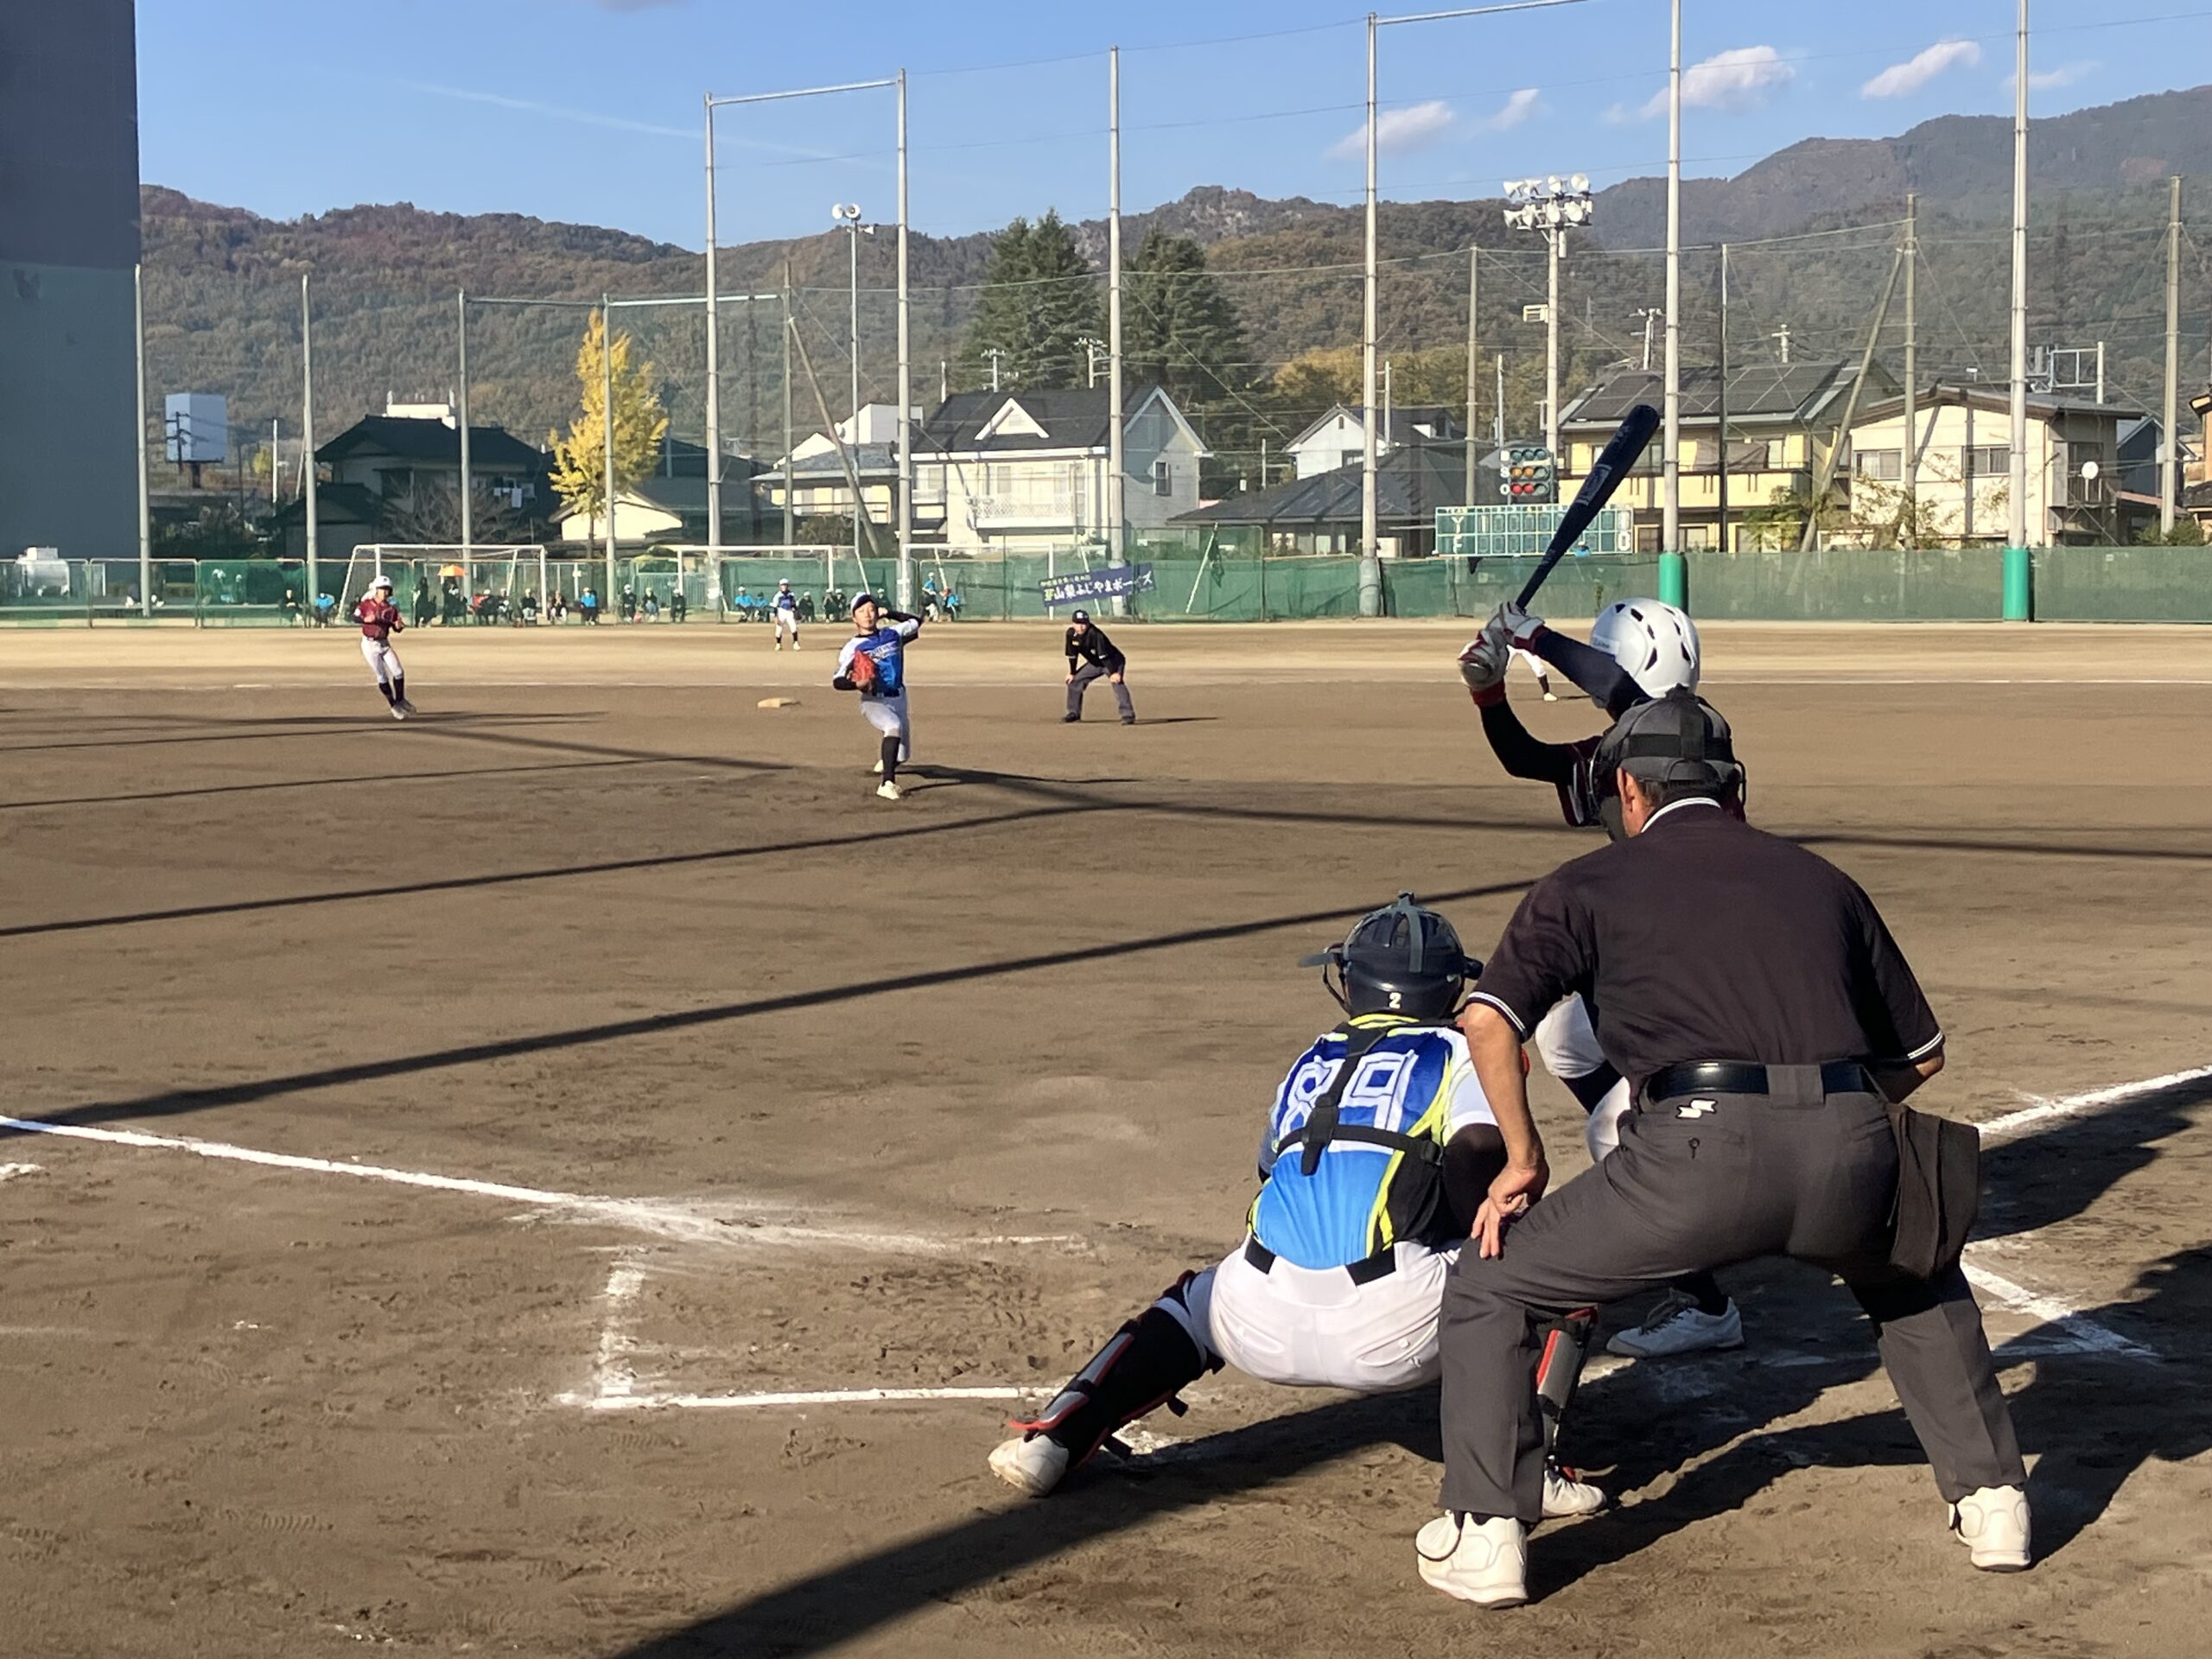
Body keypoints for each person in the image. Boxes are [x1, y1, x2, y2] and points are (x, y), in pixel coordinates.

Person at [1416, 689, 2028, 1610]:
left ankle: (1488, 1532)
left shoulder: (1585, 883)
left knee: (1493, 1281)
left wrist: (1522, 1158)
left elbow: (1488, 1022)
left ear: (1627, 789)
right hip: (1849, 1137)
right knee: (1914, 1269)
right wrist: (1830, 1127)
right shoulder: (1820, 878)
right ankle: (1997, 1505)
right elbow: (1921, 1055)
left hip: (1690, 1155)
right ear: (1733, 785)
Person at [991, 896, 1603, 1522]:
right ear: (1450, 986)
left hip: (1256, 1313)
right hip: (1400, 1331)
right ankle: (1531, 1471)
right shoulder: (1457, 1049)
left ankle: (1055, 1438)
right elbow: (1477, 1146)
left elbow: (1270, 1169)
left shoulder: (1314, 1056)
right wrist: (1470, 1247)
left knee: (1192, 1304)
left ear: (1351, 982)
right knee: (1552, 1268)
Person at [1456, 598, 1744, 1361]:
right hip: (1667, 957)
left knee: (1609, 1128)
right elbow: (1530, 758)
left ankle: (1705, 1303)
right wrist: (1490, 695)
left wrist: (1534, 636)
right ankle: (1684, 1161)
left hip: (1691, 977)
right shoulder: (1633, 744)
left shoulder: (1687, 737)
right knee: (1564, 1035)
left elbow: (1618, 686)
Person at [832, 592, 921, 800]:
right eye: (861, 611)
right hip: (874, 700)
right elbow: (837, 681)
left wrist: (889, 612)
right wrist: (856, 684)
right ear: (854, 618)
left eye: (871, 609)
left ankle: (888, 760)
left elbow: (916, 622)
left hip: (899, 697)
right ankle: (887, 783)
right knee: (893, 727)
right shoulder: (852, 648)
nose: (868, 615)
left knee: (903, 755)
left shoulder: (892, 634)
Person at [355, 574, 416, 721]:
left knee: (398, 672)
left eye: (387, 589)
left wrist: (399, 626)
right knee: (382, 675)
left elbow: (396, 628)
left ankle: (401, 700)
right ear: (376, 589)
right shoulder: (366, 604)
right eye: (382, 589)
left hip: (384, 643)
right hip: (369, 644)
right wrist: (365, 619)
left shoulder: (391, 609)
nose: (385, 592)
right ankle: (394, 705)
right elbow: (355, 617)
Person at [1063, 609, 1135, 725]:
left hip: (1113, 661)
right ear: (1073, 623)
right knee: (1075, 681)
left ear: (1088, 624)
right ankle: (1073, 713)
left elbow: (1104, 657)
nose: (1081, 627)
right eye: (1078, 624)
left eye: (1084, 624)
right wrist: (1072, 672)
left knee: (1117, 683)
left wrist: (1114, 673)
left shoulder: (1096, 634)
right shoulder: (1071, 634)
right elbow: (1072, 656)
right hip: (1095, 663)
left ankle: (1128, 715)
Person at [772, 578, 802, 650]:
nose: (784, 586)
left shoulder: (791, 595)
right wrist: (776, 617)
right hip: (781, 612)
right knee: (779, 630)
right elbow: (775, 607)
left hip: (789, 612)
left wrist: (796, 612)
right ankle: (778, 644)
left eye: (785, 585)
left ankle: (796, 643)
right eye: (782, 585)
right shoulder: (777, 596)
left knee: (794, 627)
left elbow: (794, 605)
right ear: (780, 586)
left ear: (788, 586)